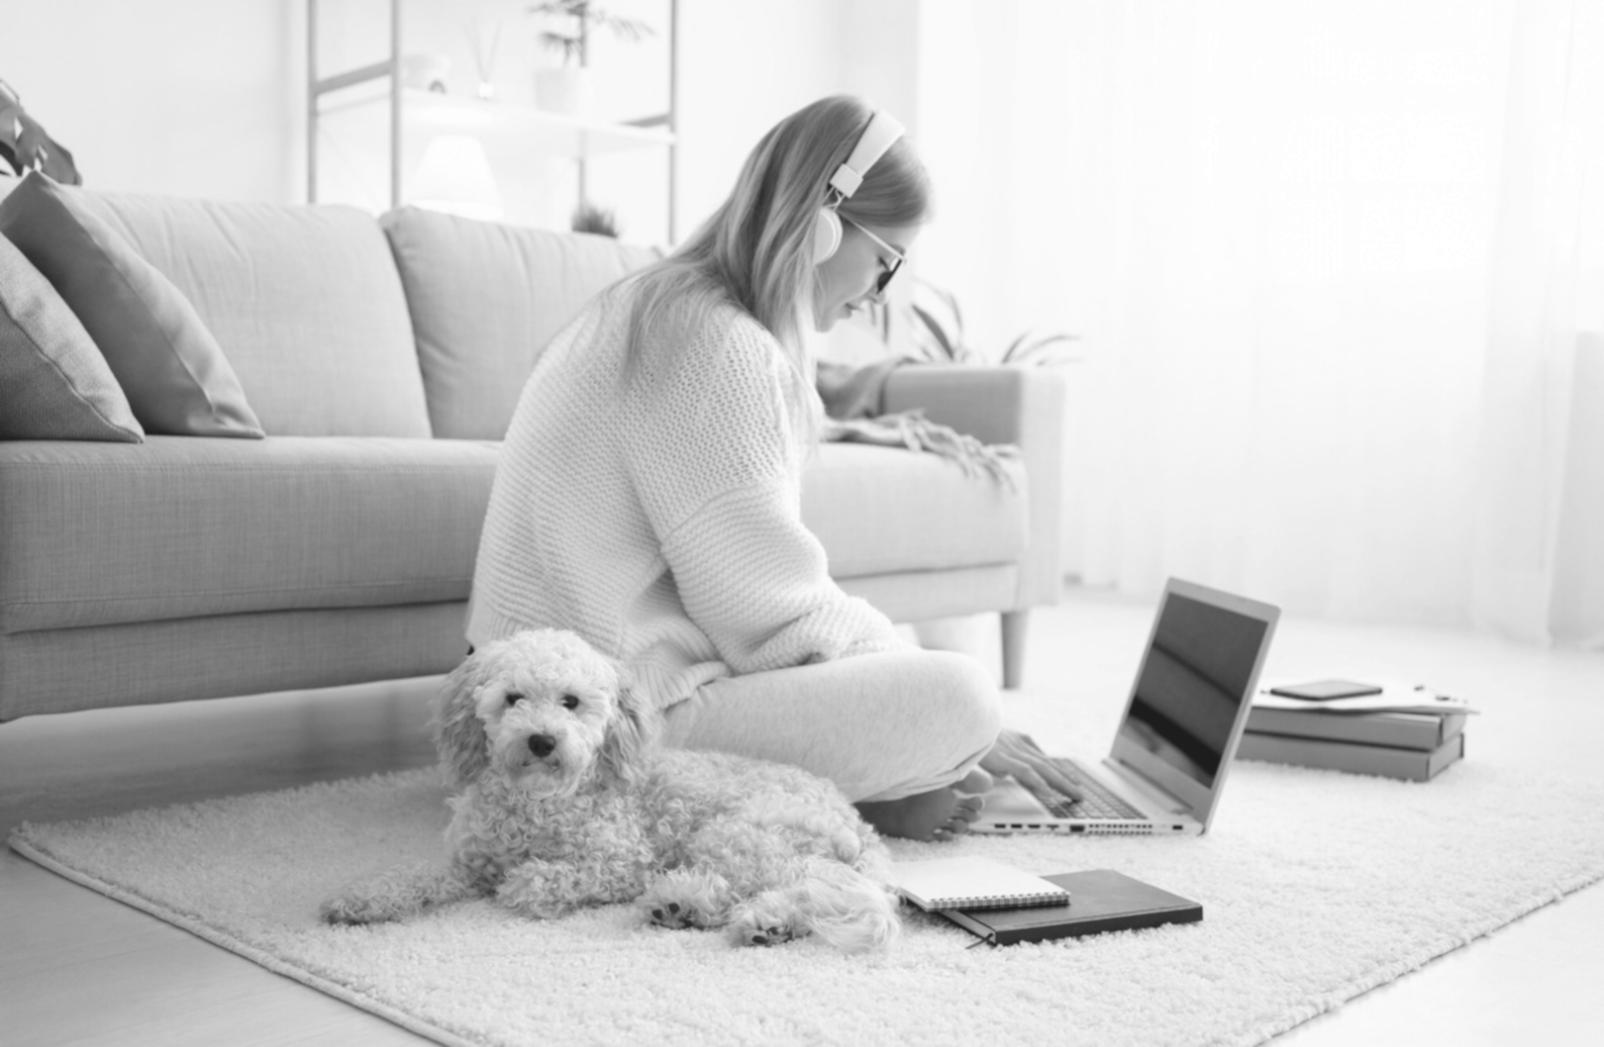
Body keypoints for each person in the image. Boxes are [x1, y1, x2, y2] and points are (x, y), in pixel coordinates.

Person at [466, 94, 1080, 841]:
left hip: (528, 709)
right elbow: (767, 613)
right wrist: (967, 727)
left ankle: (880, 788)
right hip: (610, 724)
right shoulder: (719, 342)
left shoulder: (656, 305)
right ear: (824, 226)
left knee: (912, 710)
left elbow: (744, 598)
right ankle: (883, 781)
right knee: (964, 695)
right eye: (885, 262)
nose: (878, 295)